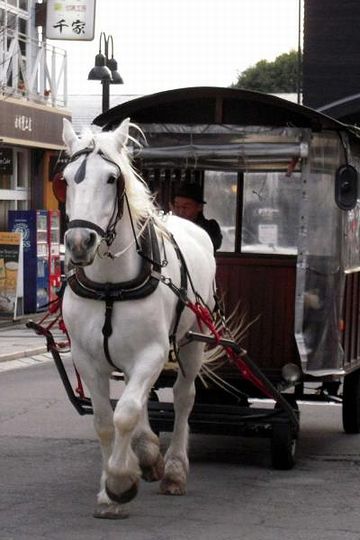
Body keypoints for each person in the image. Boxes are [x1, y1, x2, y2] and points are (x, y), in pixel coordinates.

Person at [171, 182, 222, 251]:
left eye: (185, 207)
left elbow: (214, 243)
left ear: (199, 207)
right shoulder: (170, 226)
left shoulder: (210, 227)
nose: (180, 212)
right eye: (177, 206)